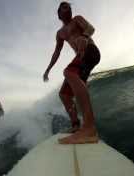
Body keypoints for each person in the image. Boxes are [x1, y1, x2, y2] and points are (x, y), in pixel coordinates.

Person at [43, 1, 101, 144]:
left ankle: (89, 128)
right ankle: (76, 126)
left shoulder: (77, 19)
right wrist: (48, 69)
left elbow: (90, 28)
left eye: (69, 6)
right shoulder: (60, 33)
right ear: (59, 14)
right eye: (64, 6)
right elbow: (57, 52)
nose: (67, 8)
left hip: (90, 50)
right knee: (64, 94)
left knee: (69, 72)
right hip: (80, 58)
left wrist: (85, 37)